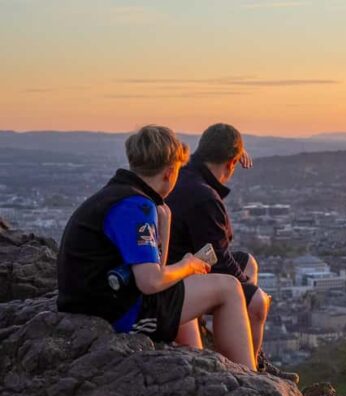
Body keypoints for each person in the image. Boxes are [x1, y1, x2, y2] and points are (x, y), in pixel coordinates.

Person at [57, 125, 255, 371]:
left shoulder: (119, 194)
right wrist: (187, 265)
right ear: (169, 172)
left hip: (94, 302)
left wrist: (165, 225)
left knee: (179, 287)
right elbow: (150, 282)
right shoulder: (135, 206)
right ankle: (247, 374)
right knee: (229, 288)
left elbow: (155, 270)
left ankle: (199, 364)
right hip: (116, 312)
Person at [166, 123, 299, 383]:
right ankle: (249, 371)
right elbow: (216, 256)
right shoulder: (204, 196)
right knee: (258, 303)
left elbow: (210, 251)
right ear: (231, 163)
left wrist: (234, 153)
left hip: (181, 260)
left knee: (249, 263)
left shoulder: (184, 173)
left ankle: (243, 344)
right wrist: (250, 291)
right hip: (178, 275)